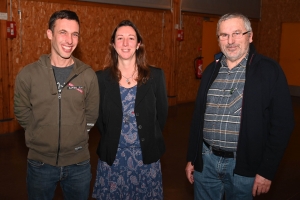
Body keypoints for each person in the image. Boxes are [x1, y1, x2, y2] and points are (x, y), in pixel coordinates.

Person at [185, 13, 294, 200]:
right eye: (224, 35)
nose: (230, 41)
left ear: (250, 36)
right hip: (206, 162)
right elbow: (198, 118)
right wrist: (192, 157)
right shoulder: (211, 70)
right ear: (218, 39)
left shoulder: (268, 71)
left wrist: (267, 170)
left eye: (237, 33)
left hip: (244, 168)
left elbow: (283, 124)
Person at [14, 10, 99, 200]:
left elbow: (92, 113)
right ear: (49, 34)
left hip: (79, 165)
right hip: (40, 164)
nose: (70, 40)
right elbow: (21, 111)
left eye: (75, 34)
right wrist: (39, 132)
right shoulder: (28, 75)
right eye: (63, 32)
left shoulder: (87, 75)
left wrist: (75, 135)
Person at [92, 20, 168, 199]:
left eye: (131, 38)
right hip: (113, 159)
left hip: (146, 158)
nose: (125, 44)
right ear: (113, 44)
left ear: (138, 44)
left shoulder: (155, 76)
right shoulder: (101, 79)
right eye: (120, 38)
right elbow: (100, 120)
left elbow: (161, 116)